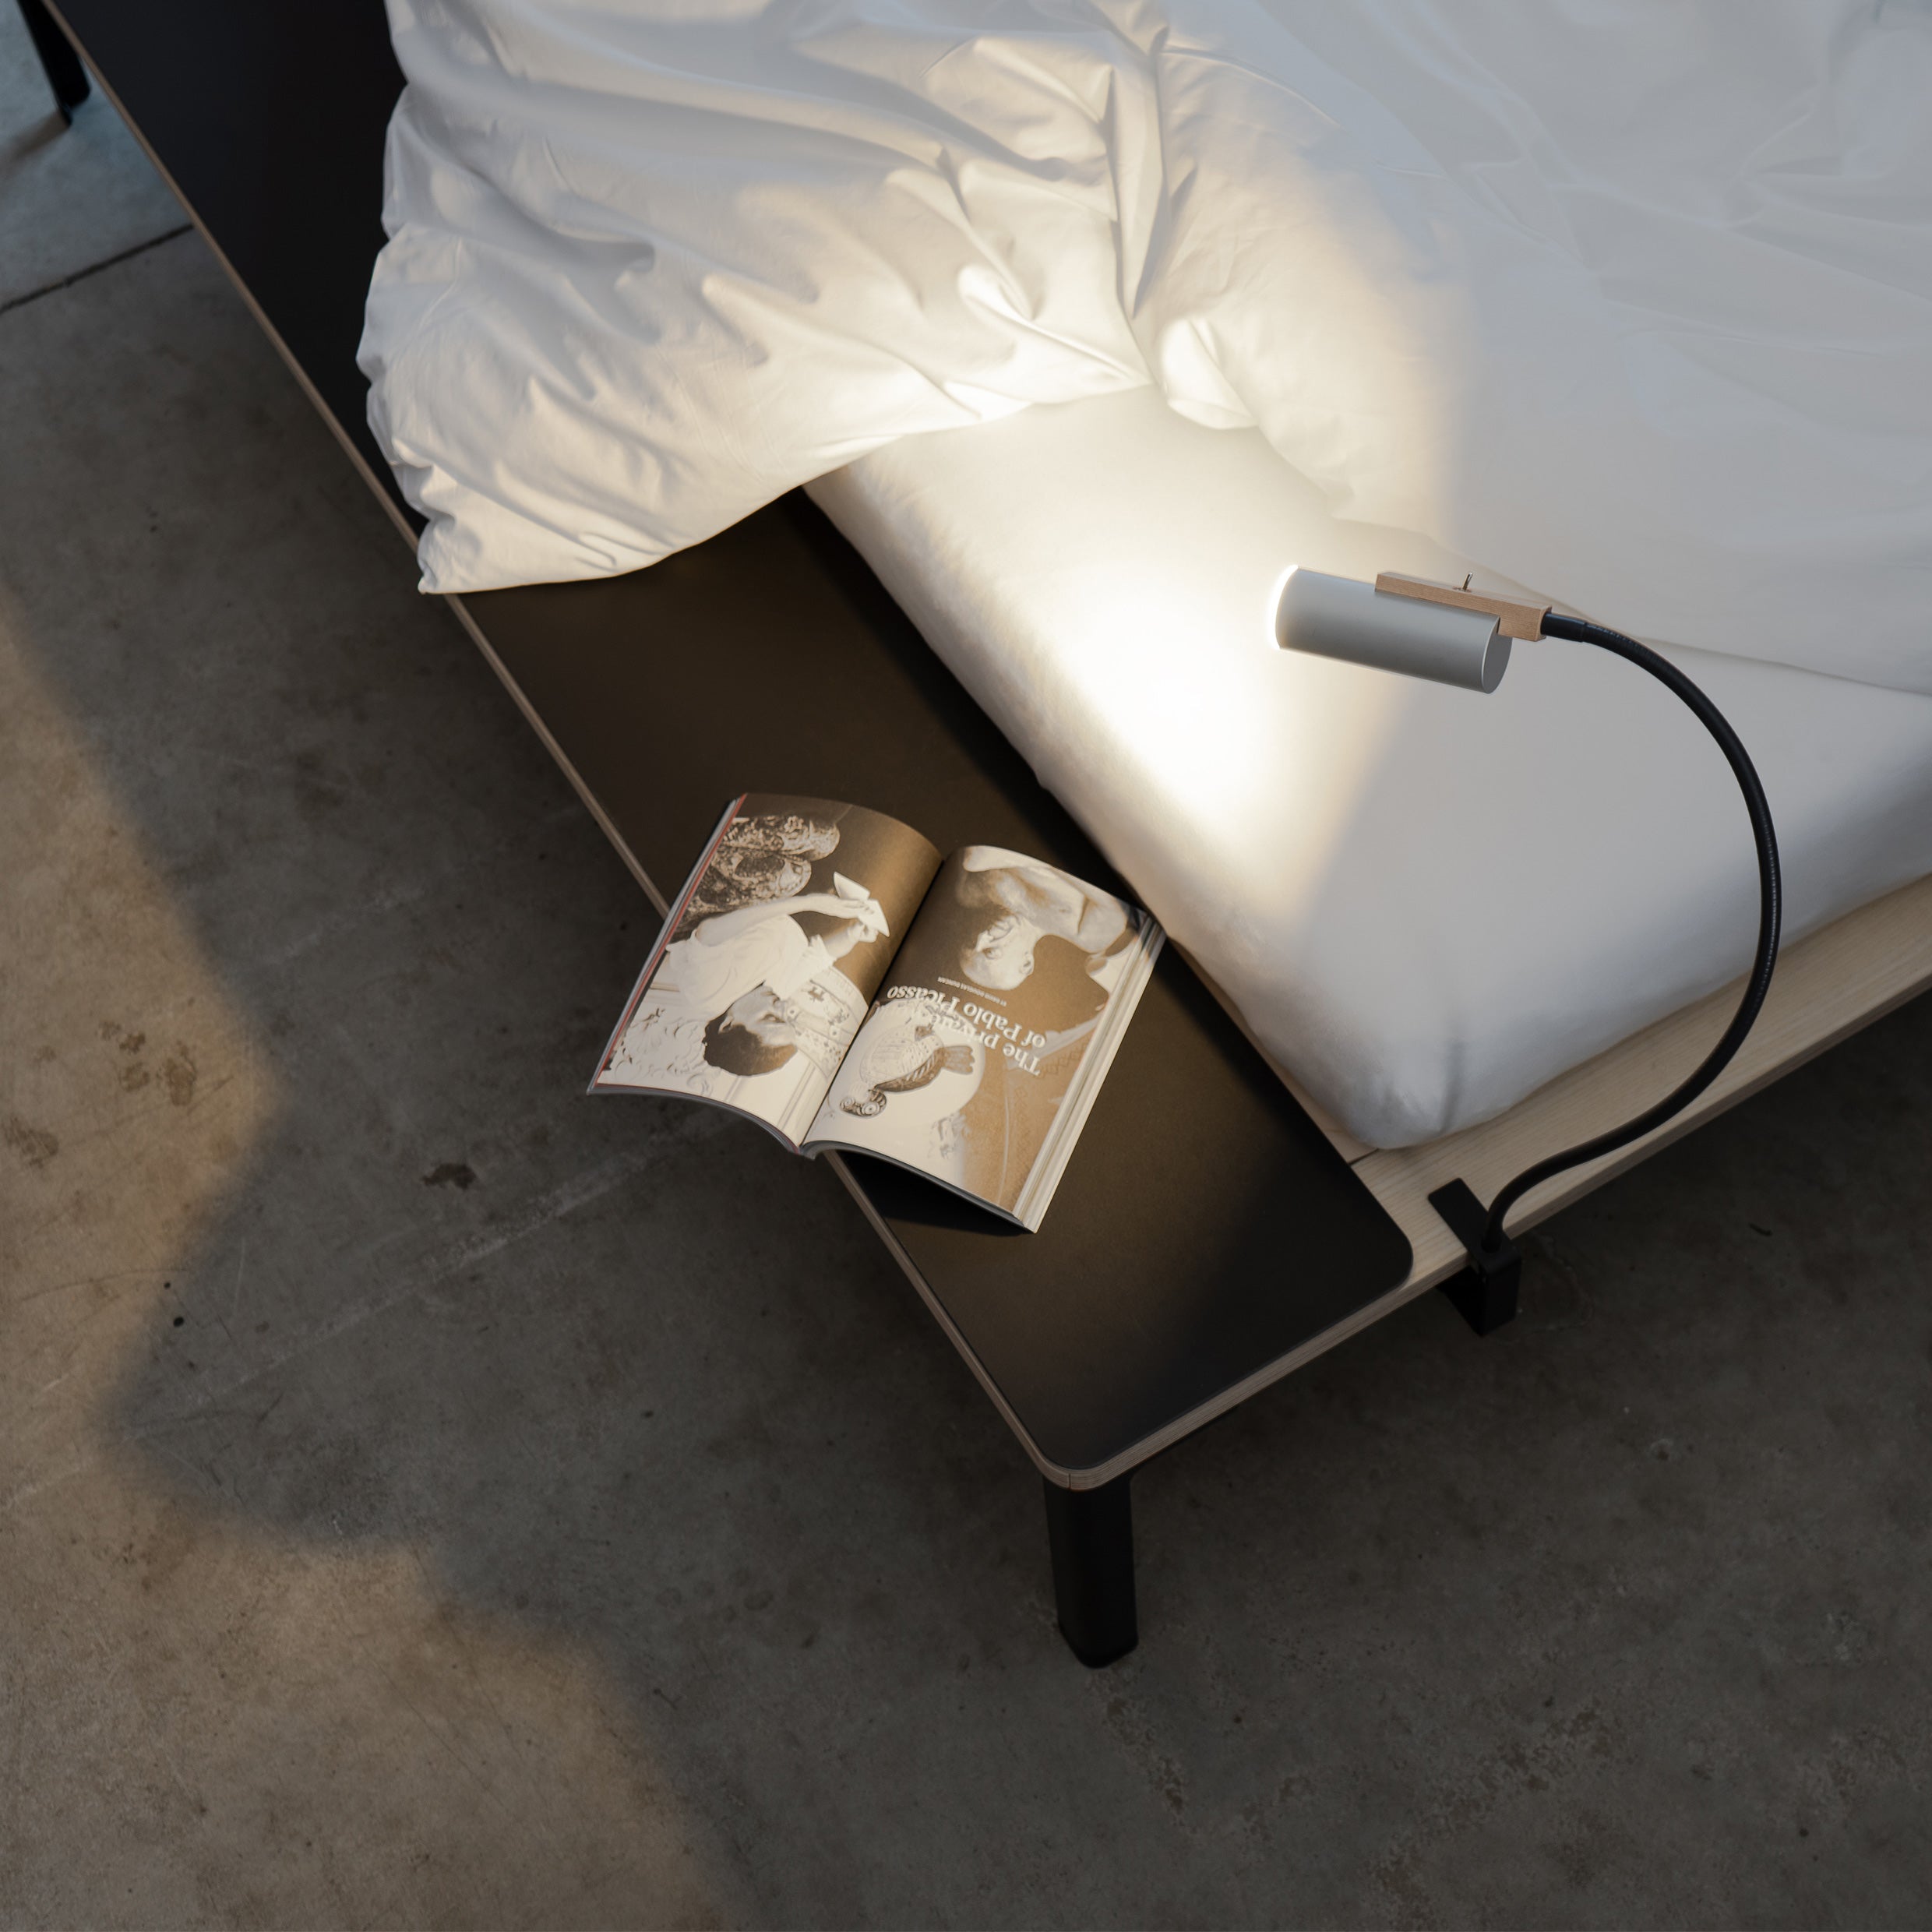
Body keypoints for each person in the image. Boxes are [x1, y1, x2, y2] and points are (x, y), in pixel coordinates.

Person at [658, 884, 887, 1077]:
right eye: (787, 1018)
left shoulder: (708, 996)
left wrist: (810, 903)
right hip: (786, 898)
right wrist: (853, 934)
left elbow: (708, 932)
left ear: (728, 1025)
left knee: (822, 845)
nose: (784, 1008)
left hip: (731, 894)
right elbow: (820, 955)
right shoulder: (772, 996)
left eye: (770, 1017)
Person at [951, 848, 1130, 996]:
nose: (982, 936)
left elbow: (972, 851)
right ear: (1026, 963)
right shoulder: (1085, 936)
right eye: (991, 951)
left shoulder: (974, 894)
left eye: (971, 942)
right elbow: (1117, 903)